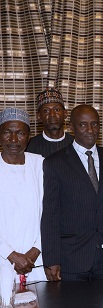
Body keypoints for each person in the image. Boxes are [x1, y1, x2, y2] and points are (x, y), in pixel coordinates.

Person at [41, 104, 103, 281]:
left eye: (95, 124)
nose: (90, 130)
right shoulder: (55, 163)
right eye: (83, 125)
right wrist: (51, 259)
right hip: (71, 260)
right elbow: (50, 215)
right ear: (71, 127)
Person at [0, 108, 47, 283]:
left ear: (28, 136)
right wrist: (11, 255)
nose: (13, 140)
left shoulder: (40, 164)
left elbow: (51, 212)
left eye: (20, 133)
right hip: (3, 262)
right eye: (7, 132)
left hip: (37, 263)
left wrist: (36, 250)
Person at [26, 87, 74, 157]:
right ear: (39, 117)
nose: (52, 115)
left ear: (65, 114)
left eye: (57, 110)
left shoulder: (75, 144)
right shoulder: (30, 146)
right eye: (46, 111)